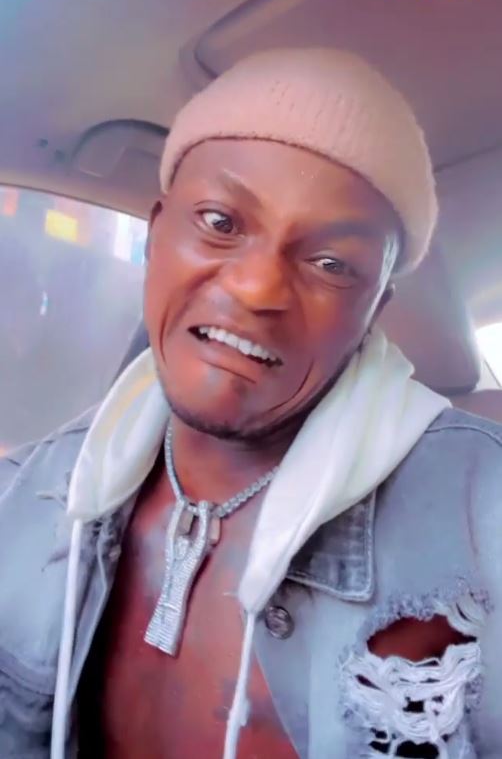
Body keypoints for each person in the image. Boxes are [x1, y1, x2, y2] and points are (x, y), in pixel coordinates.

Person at [1, 48, 501, 759]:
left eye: (331, 264)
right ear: (155, 233)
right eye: (220, 221)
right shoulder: (34, 493)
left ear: (374, 308)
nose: (258, 287)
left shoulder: (481, 519)